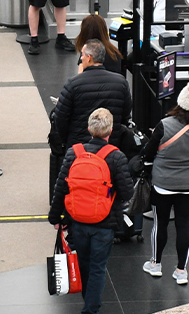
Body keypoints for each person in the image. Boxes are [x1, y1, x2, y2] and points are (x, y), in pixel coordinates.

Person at [48, 107, 133, 313]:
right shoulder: (116, 157)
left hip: (77, 220)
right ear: (110, 131)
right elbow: (127, 192)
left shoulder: (73, 153)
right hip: (104, 223)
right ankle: (91, 309)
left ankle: (90, 302)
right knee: (97, 267)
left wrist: (54, 217)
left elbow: (61, 187)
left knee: (84, 264)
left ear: (89, 128)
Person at [139, 79, 189, 284]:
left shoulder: (164, 125)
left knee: (161, 224)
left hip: (162, 184)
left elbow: (148, 153)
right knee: (184, 225)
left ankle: (156, 264)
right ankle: (181, 270)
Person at [48, 39, 132, 152]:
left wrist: (68, 140)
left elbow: (60, 117)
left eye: (82, 55)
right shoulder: (121, 82)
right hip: (110, 148)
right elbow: (125, 115)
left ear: (89, 57)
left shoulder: (73, 84)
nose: (81, 58)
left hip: (79, 148)